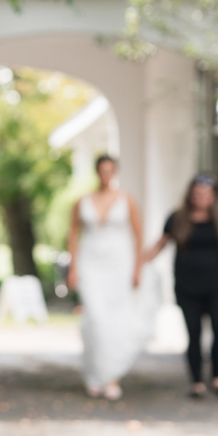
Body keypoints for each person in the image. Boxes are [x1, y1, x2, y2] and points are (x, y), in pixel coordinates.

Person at [142, 173, 218, 397]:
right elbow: (161, 243)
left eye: (206, 194)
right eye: (197, 194)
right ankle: (196, 382)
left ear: (214, 196)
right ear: (190, 195)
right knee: (193, 333)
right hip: (188, 287)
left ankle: (217, 378)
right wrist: (140, 264)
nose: (201, 198)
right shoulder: (178, 218)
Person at [67, 154, 151, 401]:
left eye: (110, 170)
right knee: (94, 318)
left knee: (115, 320)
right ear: (96, 172)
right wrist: (73, 267)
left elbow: (138, 235)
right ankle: (94, 374)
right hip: (90, 264)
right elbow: (73, 234)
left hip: (119, 265)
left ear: (114, 172)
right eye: (102, 170)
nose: (106, 175)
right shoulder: (82, 201)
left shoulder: (127, 200)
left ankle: (111, 376)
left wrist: (137, 268)